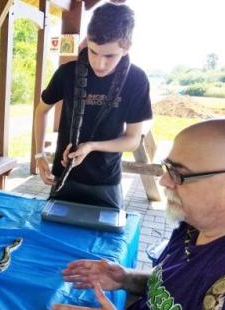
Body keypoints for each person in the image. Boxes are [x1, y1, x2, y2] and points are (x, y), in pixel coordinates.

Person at [45, 119, 225, 310]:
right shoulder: (196, 224)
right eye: (167, 168)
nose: (164, 181)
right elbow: (178, 287)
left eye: (179, 174)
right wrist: (126, 278)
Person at [34, 2, 152, 209]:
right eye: (93, 52)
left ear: (126, 48)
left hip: (105, 181)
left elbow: (132, 140)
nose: (99, 63)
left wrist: (92, 146)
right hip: (64, 176)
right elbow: (42, 110)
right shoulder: (67, 72)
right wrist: (39, 154)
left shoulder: (137, 79)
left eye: (110, 56)